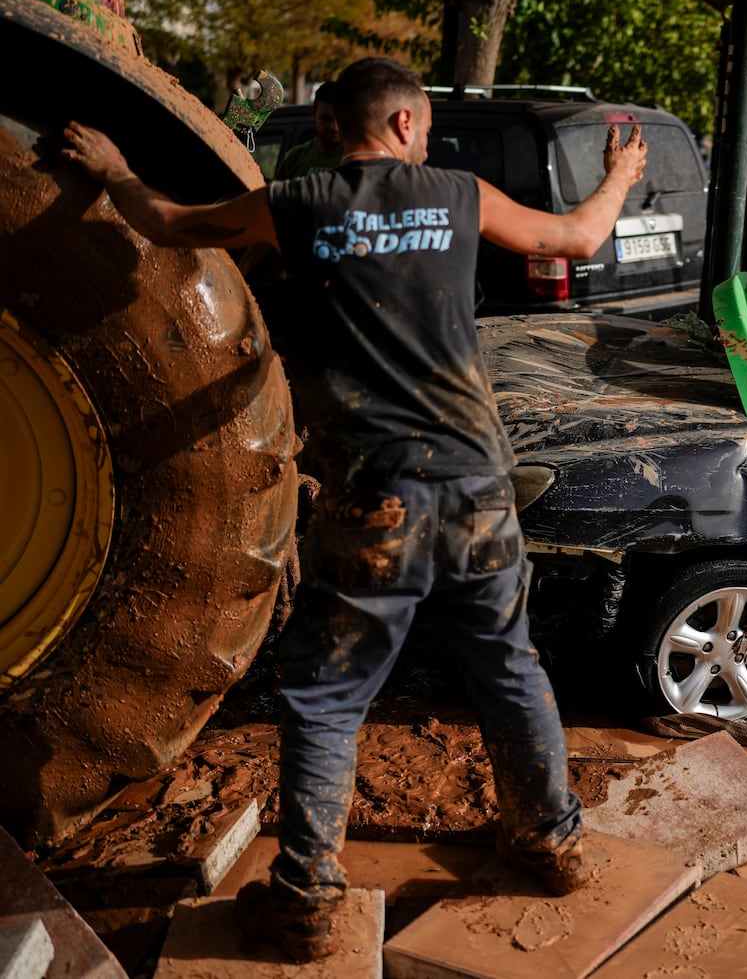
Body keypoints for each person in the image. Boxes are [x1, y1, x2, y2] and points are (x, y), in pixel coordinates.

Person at [61, 57, 647, 963]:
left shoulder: (297, 204)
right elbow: (574, 240)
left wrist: (112, 168)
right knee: (508, 667)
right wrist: (619, 175)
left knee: (331, 698)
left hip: (377, 500)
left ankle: (304, 897)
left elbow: (169, 224)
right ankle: (551, 840)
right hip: (481, 491)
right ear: (410, 126)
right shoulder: (458, 193)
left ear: (332, 126)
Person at [275, 82, 343, 178]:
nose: (334, 127)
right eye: (326, 119)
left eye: (340, 119)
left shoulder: (360, 160)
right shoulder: (295, 158)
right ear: (313, 114)